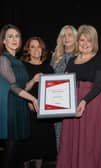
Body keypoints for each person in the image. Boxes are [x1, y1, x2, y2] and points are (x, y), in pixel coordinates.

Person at [56, 25, 101, 168]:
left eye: (89, 41)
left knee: (90, 140)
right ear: (78, 41)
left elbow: (99, 84)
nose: (85, 44)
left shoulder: (99, 59)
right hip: (72, 103)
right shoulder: (71, 60)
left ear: (94, 43)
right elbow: (64, 84)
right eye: (82, 40)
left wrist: (84, 100)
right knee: (71, 139)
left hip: (91, 102)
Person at [0, 24, 39, 168]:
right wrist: (33, 99)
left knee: (17, 152)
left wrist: (34, 80)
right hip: (10, 107)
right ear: (3, 41)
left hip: (20, 105)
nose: (14, 39)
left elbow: (23, 87)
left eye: (17, 36)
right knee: (10, 151)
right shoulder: (3, 59)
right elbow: (13, 87)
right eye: (10, 36)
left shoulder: (18, 61)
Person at [21, 36, 57, 168]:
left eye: (39, 47)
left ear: (43, 50)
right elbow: (18, 89)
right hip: (26, 111)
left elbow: (53, 91)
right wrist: (33, 80)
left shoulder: (49, 68)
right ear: (28, 50)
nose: (36, 50)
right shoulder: (22, 66)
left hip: (43, 113)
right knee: (26, 148)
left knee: (41, 146)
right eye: (33, 46)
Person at [50, 25, 78, 151]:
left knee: (77, 140)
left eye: (69, 35)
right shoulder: (55, 57)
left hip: (78, 105)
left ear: (75, 37)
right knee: (60, 140)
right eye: (63, 35)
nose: (66, 38)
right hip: (59, 106)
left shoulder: (82, 55)